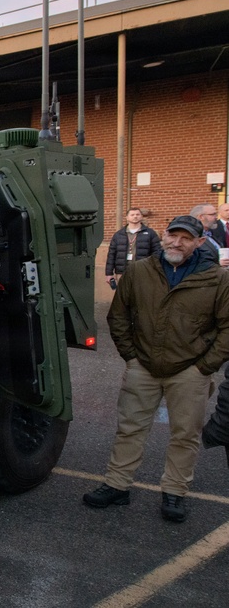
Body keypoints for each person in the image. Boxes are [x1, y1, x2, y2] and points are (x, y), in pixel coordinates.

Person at [83, 215, 229, 522]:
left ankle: (175, 492)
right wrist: (131, 357)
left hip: (190, 370)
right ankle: (117, 485)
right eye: (172, 235)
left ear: (199, 242)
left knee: (185, 435)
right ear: (162, 235)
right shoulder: (139, 271)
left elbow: (227, 327)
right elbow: (118, 317)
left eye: (185, 238)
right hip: (143, 366)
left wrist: (205, 366)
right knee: (129, 429)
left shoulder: (216, 279)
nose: (176, 242)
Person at [104, 207, 161, 288]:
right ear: (127, 217)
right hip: (122, 272)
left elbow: (157, 253)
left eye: (137, 214)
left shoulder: (150, 233)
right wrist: (109, 273)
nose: (135, 216)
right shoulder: (118, 235)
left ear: (141, 217)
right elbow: (111, 255)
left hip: (143, 272)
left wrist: (152, 269)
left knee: (141, 296)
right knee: (123, 297)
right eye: (132, 215)